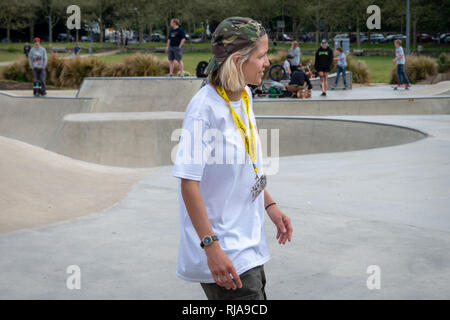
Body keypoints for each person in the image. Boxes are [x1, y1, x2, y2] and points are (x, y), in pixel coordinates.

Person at [172, 17, 293, 300]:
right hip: (226, 255)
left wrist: (270, 205)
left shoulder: (245, 96)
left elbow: (247, 169)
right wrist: (212, 248)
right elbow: (188, 185)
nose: (267, 63)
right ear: (238, 60)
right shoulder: (204, 110)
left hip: (249, 246)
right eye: (262, 56)